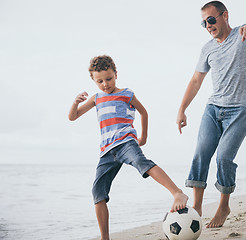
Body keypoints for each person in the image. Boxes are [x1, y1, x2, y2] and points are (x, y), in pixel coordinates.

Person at [176, 1, 246, 228]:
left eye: (211, 19)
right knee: (201, 154)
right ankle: (198, 206)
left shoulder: (245, 34)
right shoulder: (207, 49)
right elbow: (195, 80)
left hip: (242, 109)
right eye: (204, 22)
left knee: (223, 158)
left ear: (224, 16)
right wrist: (182, 109)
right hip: (213, 108)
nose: (208, 25)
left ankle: (223, 207)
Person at [69, 55, 188, 240]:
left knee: (141, 162)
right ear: (93, 80)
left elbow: (143, 112)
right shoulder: (96, 98)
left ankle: (177, 193)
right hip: (107, 151)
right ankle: (105, 237)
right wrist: (75, 102)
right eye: (99, 81)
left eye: (109, 79)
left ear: (116, 74)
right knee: (98, 191)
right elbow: (73, 117)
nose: (105, 84)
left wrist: (143, 137)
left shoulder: (126, 94)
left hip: (126, 142)